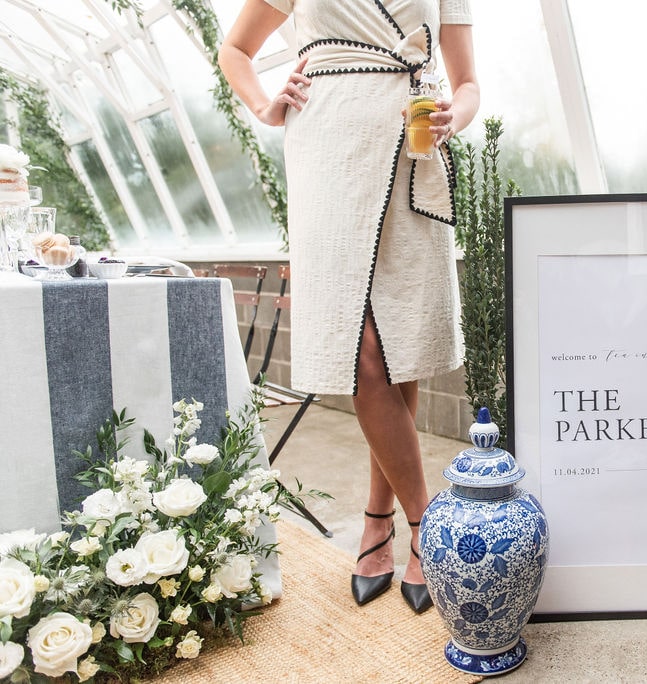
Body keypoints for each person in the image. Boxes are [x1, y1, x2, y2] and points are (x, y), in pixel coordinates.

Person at [220, 0, 479, 613]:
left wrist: (453, 117)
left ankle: (376, 518)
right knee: (358, 348)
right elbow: (235, 51)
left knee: (400, 345)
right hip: (328, 147)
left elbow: (467, 84)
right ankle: (429, 527)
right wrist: (264, 102)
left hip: (412, 145)